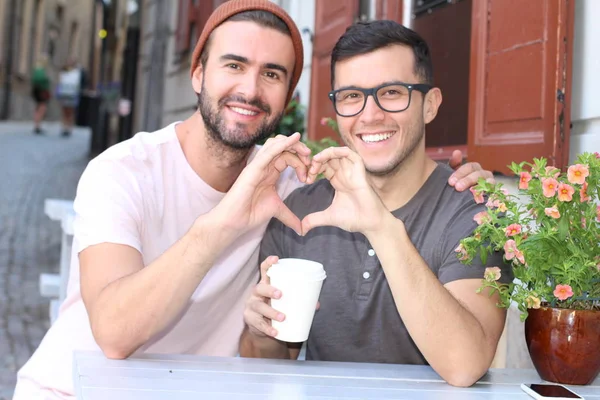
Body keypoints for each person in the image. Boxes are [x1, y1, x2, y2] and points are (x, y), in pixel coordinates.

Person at [13, 2, 492, 399]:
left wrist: (459, 182)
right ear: (198, 75)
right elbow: (115, 334)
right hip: (71, 391)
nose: (249, 88)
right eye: (234, 65)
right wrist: (224, 221)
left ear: (288, 98)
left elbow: (375, 165)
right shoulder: (122, 171)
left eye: (272, 74)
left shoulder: (292, 185)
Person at [240, 20, 513, 388]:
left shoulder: (472, 213)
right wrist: (261, 333)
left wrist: (380, 225)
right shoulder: (300, 211)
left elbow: (465, 366)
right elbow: (272, 365)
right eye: (352, 96)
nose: (370, 115)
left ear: (429, 105)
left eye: (392, 92)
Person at [56, 59, 82, 137]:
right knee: (64, 111)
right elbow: (60, 82)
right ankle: (64, 127)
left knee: (70, 112)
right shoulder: (63, 72)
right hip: (64, 93)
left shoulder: (77, 72)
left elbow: (78, 83)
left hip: (72, 94)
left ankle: (69, 128)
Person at [31, 56, 51, 135]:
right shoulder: (40, 70)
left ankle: (37, 125)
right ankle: (37, 126)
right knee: (42, 108)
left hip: (37, 90)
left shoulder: (37, 69)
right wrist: (45, 82)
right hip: (41, 91)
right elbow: (39, 79)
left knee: (38, 108)